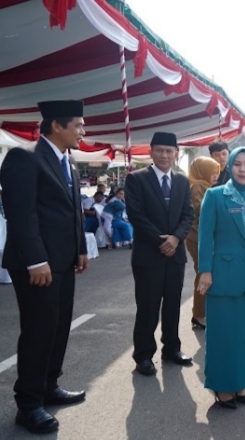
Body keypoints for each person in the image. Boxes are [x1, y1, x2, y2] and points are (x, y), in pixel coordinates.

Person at [0, 100, 89, 434]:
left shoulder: (69, 161)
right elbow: (21, 214)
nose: (83, 131)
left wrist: (81, 249)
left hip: (64, 263)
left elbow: (72, 211)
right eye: (78, 125)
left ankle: (49, 384)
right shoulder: (25, 157)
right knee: (38, 331)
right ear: (56, 126)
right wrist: (37, 260)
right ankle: (29, 404)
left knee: (58, 326)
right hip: (37, 265)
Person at [197, 147, 245, 408]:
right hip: (221, 275)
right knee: (221, 334)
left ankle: (241, 383)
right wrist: (204, 270)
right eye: (238, 164)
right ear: (230, 167)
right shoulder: (215, 195)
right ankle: (221, 387)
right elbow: (205, 235)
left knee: (243, 337)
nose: (243, 169)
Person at [125, 131, 195, 376]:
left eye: (169, 151)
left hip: (175, 254)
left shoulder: (182, 181)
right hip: (148, 255)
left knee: (173, 305)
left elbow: (188, 214)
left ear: (176, 154)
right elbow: (136, 215)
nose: (164, 155)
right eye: (160, 150)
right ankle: (143, 355)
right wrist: (161, 241)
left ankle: (172, 349)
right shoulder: (136, 179)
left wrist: (176, 238)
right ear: (150, 152)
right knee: (148, 307)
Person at [185, 156, 220, 330]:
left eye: (217, 173)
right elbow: (199, 210)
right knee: (203, 274)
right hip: (196, 236)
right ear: (202, 171)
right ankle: (198, 315)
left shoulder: (206, 186)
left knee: (205, 273)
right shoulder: (198, 186)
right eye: (212, 173)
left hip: (201, 236)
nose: (215, 176)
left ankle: (201, 313)